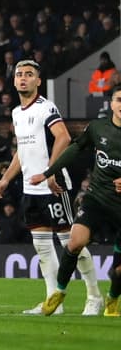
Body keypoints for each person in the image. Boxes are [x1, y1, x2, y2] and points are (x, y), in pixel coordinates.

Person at [0, 59, 103, 315]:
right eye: (19, 74)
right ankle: (54, 301)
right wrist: (6, 178)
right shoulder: (17, 113)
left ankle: (94, 296)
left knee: (71, 243)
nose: (23, 78)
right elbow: (22, 150)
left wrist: (50, 172)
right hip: (31, 189)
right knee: (42, 247)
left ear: (38, 81)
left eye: (29, 74)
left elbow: (64, 136)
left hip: (53, 186)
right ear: (14, 80)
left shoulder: (46, 107)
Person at [32, 84, 121, 317]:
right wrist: (49, 172)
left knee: (120, 270)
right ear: (111, 103)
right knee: (74, 242)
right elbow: (74, 149)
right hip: (97, 198)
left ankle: (112, 299)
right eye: (119, 100)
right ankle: (59, 292)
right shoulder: (98, 128)